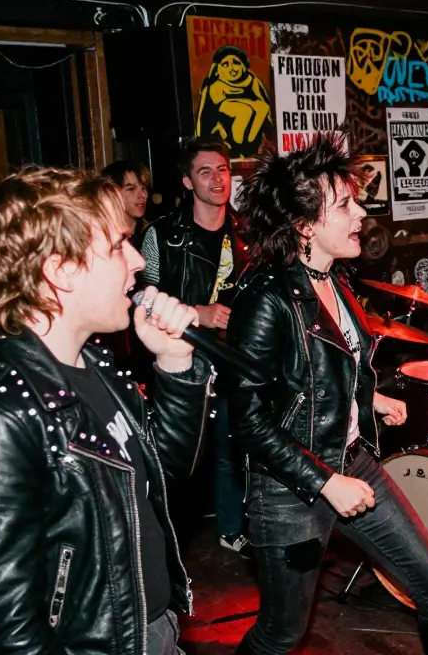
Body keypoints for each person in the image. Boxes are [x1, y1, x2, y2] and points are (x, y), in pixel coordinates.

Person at [0, 166, 213, 655]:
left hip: (150, 627)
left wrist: (175, 363)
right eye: (118, 245)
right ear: (61, 270)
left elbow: (168, 471)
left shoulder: (97, 361)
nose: (137, 262)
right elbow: (1, 631)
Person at [227, 132, 428, 655]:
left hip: (353, 464)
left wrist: (368, 401)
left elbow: (322, 372)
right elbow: (248, 420)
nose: (361, 213)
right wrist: (324, 482)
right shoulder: (266, 299)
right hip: (291, 490)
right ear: (306, 225)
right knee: (281, 633)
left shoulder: (333, 279)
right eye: (345, 204)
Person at [140, 136, 251, 555]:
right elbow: (141, 300)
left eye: (222, 169)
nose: (217, 179)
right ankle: (164, 539)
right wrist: (196, 313)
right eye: (205, 171)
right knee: (181, 452)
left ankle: (230, 526)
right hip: (184, 360)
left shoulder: (247, 231)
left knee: (232, 444)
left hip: (237, 356)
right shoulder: (163, 235)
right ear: (187, 181)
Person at [100, 159, 153, 240]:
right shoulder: (102, 237)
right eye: (131, 189)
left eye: (143, 188)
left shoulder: (153, 235)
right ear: (112, 193)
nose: (142, 195)